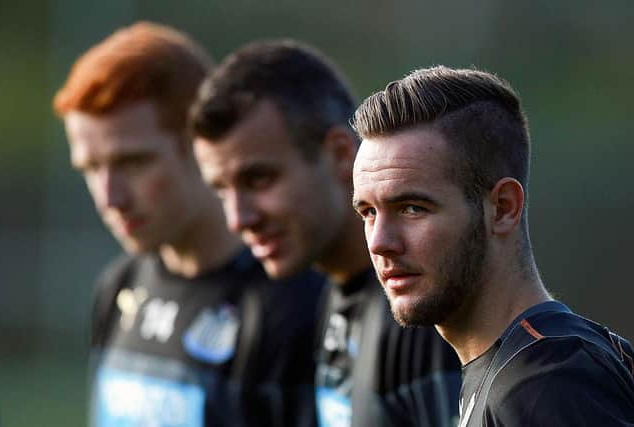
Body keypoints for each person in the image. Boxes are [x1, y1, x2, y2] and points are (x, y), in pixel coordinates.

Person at [53, 22, 323, 427]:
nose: (109, 197)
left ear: (199, 144)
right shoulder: (120, 287)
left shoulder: (295, 305)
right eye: (91, 168)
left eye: (133, 163)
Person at [190, 40, 462, 427]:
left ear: (338, 154)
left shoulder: (418, 312)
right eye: (221, 190)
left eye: (259, 179)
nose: (238, 218)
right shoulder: (333, 291)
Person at [351, 65, 634, 426]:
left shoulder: (547, 382)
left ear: (502, 208)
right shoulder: (515, 369)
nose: (379, 243)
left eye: (412, 208)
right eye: (368, 212)